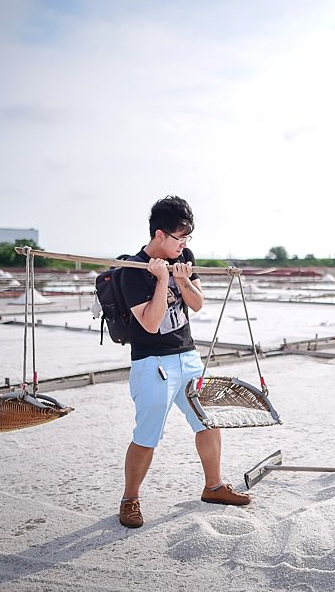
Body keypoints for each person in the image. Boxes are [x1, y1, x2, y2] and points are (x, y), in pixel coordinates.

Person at [118, 196, 250, 529]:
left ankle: (214, 486)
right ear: (160, 235)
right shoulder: (132, 270)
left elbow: (198, 304)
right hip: (152, 362)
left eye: (188, 238)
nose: (185, 245)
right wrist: (161, 280)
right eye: (179, 238)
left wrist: (180, 279)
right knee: (148, 434)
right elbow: (149, 323)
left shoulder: (185, 258)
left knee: (208, 422)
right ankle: (130, 499)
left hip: (188, 357)